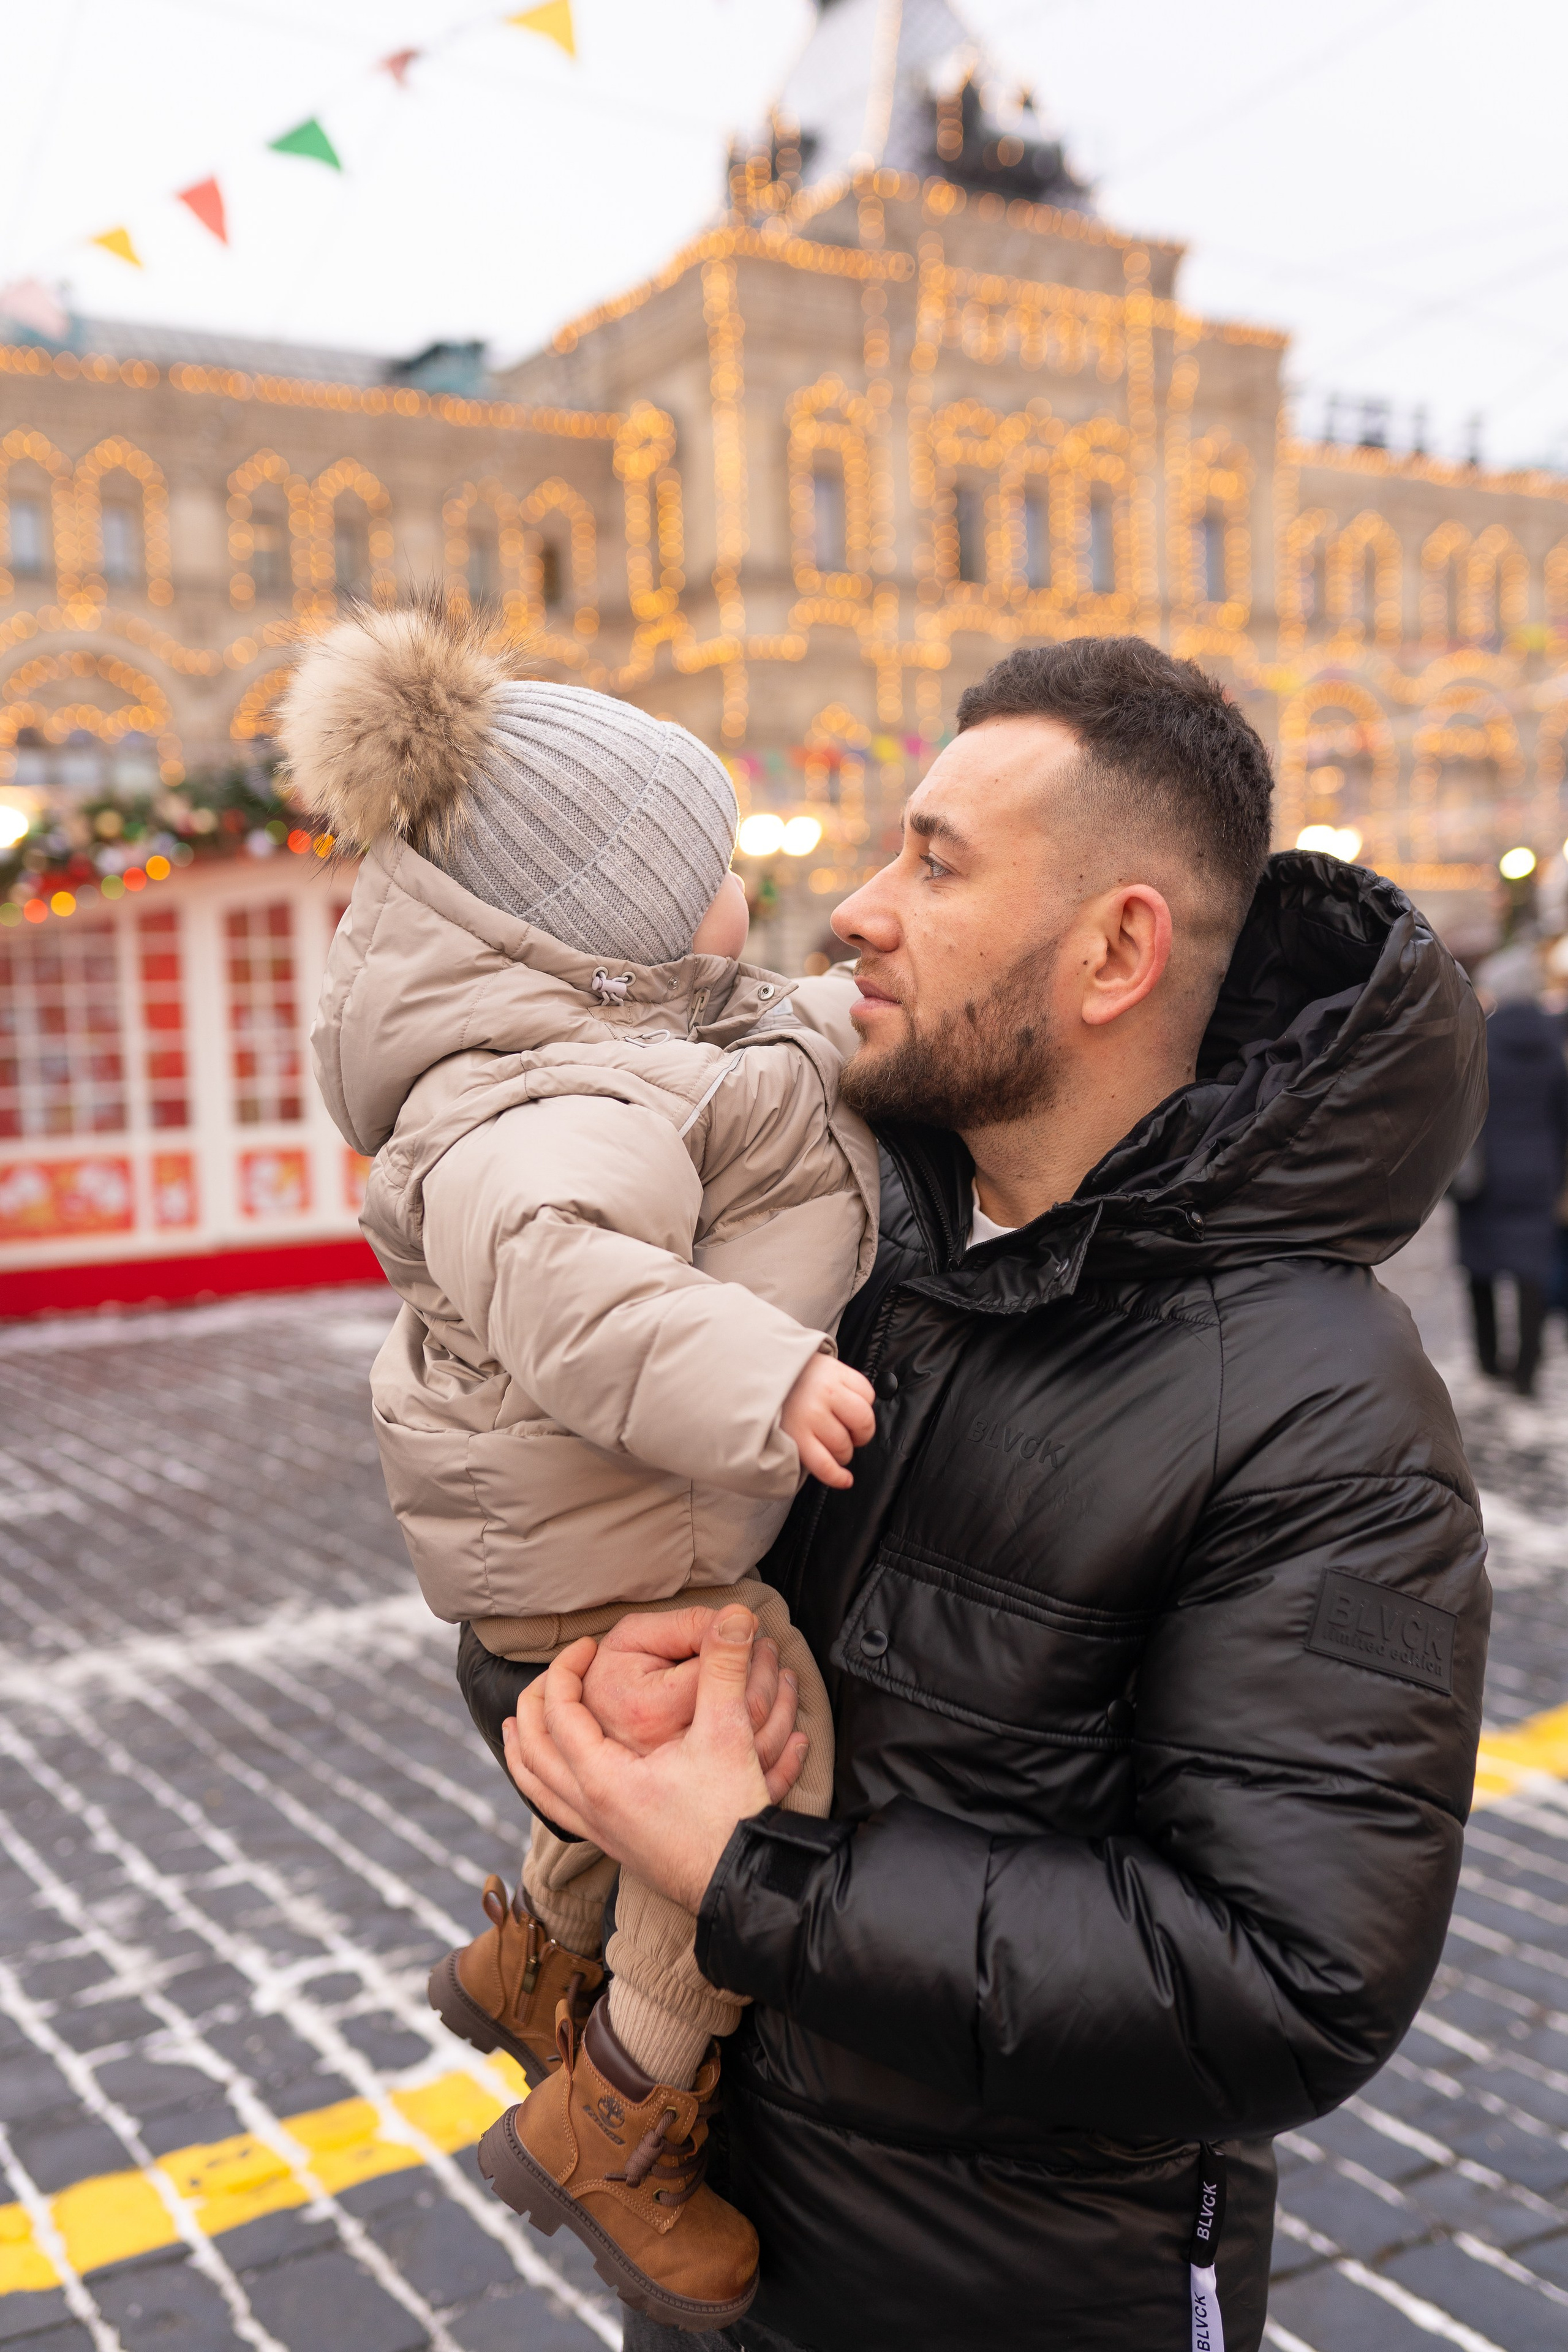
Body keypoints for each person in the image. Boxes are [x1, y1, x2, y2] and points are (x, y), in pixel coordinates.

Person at [502, 636, 1491, 2352]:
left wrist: (752, 1876)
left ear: (1117, 949)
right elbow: (627, 1590)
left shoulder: (1329, 1411)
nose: (857, 910)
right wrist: (559, 1697)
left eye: (934, 861)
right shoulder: (837, 1262)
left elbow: (1284, 1981)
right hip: (724, 2266)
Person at [287, 599, 880, 2333]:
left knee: (632, 1744)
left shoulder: (600, 1049)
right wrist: (765, 1377)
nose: (749, 894)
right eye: (714, 866)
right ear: (602, 918)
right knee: (759, 1753)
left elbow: (772, 1043)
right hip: (612, 1543)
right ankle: (620, 2108)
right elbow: (569, 1286)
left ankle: (531, 1955)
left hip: (583, 1537)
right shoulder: (555, 1105)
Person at [1456, 940, 1568, 1396]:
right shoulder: (1553, 1042)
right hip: (1539, 1172)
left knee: (1481, 1264)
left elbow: (1462, 1108)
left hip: (1487, 1174)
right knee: (1531, 1268)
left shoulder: (1480, 1039)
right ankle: (1527, 1369)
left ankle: (1488, 1360)